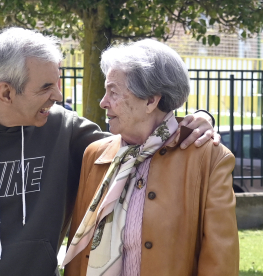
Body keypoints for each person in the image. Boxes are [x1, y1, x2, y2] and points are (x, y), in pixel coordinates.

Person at [0, 28, 219, 276]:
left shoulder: (64, 128)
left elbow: (139, 141)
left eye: (57, 83)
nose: (57, 95)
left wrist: (198, 119)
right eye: (46, 87)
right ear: (6, 92)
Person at [63, 39, 239, 276]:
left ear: (150, 101)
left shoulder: (208, 157)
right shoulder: (96, 155)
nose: (103, 102)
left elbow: (220, 261)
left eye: (113, 92)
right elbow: (79, 254)